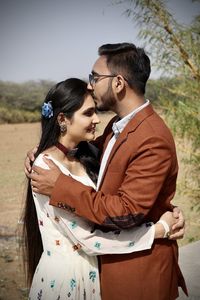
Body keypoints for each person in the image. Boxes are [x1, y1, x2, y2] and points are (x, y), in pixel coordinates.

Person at [27, 43, 187, 300]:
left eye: (95, 77)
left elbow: (126, 212)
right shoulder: (116, 126)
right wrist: (43, 152)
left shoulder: (151, 137)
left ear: (118, 83)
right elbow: (86, 156)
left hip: (138, 276)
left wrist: (58, 186)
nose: (90, 85)